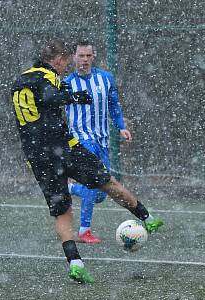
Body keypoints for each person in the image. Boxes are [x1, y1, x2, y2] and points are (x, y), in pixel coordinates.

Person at [10, 39, 164, 283]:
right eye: (65, 63)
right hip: (63, 149)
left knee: (63, 211)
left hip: (38, 157)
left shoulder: (19, 81)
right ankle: (147, 217)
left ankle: (75, 263)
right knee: (107, 183)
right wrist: (69, 96)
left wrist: (66, 97)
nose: (66, 68)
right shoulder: (46, 76)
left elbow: (36, 110)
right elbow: (51, 95)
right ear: (58, 60)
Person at [63, 40, 132, 244]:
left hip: (102, 139)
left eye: (88, 56)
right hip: (81, 139)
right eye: (81, 56)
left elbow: (114, 105)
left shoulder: (106, 79)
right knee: (94, 183)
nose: (84, 60)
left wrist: (121, 126)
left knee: (101, 193)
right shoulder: (66, 84)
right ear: (74, 57)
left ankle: (70, 188)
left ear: (93, 57)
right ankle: (84, 230)